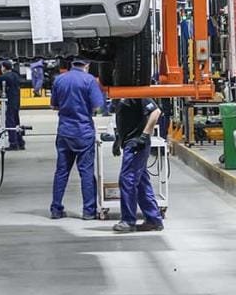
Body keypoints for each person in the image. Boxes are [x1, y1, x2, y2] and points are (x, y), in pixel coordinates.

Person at [49, 57, 106, 219]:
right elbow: (98, 106)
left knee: (61, 172)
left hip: (64, 132)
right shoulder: (89, 80)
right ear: (87, 64)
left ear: (71, 64)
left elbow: (53, 105)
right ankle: (88, 211)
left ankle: (56, 209)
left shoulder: (59, 80)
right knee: (86, 172)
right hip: (83, 132)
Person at [111, 98, 164, 233]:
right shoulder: (118, 95)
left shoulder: (137, 93)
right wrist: (118, 139)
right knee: (141, 182)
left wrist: (145, 135)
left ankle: (128, 221)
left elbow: (156, 112)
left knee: (127, 180)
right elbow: (123, 118)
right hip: (129, 142)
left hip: (136, 143)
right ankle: (153, 220)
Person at [0, 60, 25, 150]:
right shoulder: (15, 75)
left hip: (10, 101)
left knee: (10, 122)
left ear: (4, 67)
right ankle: (20, 142)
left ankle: (13, 143)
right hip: (17, 101)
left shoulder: (4, 76)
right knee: (16, 122)